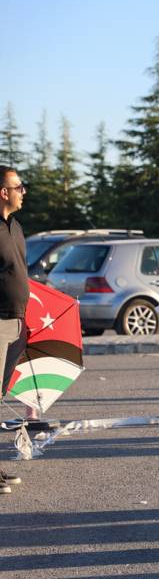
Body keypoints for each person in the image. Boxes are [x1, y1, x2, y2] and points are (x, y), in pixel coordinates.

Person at [0, 167, 29, 494]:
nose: (24, 191)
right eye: (18, 186)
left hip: (17, 321)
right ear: (2, 192)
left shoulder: (16, 227)